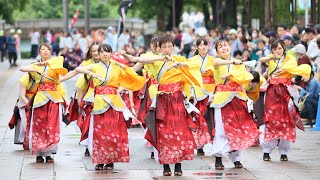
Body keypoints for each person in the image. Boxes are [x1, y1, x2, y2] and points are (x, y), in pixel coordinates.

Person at [74, 44, 146, 171]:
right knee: (100, 133)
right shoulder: (95, 66)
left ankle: (111, 160)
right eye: (102, 52)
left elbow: (131, 73)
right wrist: (92, 74)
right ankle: (100, 160)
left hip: (114, 102)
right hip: (99, 102)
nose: (105, 54)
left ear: (111, 54)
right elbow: (79, 69)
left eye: (108, 52)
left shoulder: (116, 67)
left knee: (113, 132)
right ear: (99, 55)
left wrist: (124, 66)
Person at [205, 39, 260, 170]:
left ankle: (236, 158)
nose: (224, 48)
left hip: (237, 98)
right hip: (222, 100)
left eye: (225, 45)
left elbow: (244, 79)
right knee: (221, 129)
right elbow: (216, 63)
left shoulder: (239, 63)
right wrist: (232, 62)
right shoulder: (215, 61)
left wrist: (250, 82)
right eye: (220, 47)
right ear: (217, 51)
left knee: (238, 128)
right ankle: (218, 157)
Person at [259, 39, 311, 162]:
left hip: (286, 92)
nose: (277, 51)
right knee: (271, 120)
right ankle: (267, 150)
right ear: (271, 49)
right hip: (272, 92)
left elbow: (295, 69)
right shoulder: (271, 58)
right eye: (275, 48)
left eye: (280, 48)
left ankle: (283, 151)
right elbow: (262, 60)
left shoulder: (290, 59)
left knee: (287, 120)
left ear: (284, 48)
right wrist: (271, 57)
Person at [19, 43, 68, 163]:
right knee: (39, 126)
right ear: (39, 52)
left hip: (54, 98)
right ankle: (39, 153)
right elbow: (22, 69)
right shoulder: (35, 66)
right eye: (43, 49)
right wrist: (37, 66)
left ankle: (50, 153)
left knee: (51, 125)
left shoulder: (56, 62)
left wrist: (47, 64)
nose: (46, 51)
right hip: (40, 98)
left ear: (51, 52)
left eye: (48, 49)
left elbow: (61, 61)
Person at [60, 42, 101, 157]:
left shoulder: (108, 63)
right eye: (93, 51)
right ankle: (88, 144)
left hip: (106, 97)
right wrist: (59, 80)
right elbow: (74, 73)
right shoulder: (86, 63)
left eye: (98, 50)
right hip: (90, 97)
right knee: (88, 122)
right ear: (90, 52)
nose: (96, 53)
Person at [188, 37, 214, 155]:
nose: (203, 47)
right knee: (200, 117)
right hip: (198, 91)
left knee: (211, 118)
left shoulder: (213, 60)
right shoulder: (192, 60)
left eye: (205, 45)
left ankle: (213, 142)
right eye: (201, 45)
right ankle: (200, 144)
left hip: (211, 91)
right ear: (197, 47)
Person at [8, 73, 38, 150]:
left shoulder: (40, 78)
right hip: (24, 102)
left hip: (37, 101)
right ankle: (26, 142)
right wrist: (28, 104)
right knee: (24, 124)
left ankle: (34, 142)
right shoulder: (25, 79)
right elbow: (22, 95)